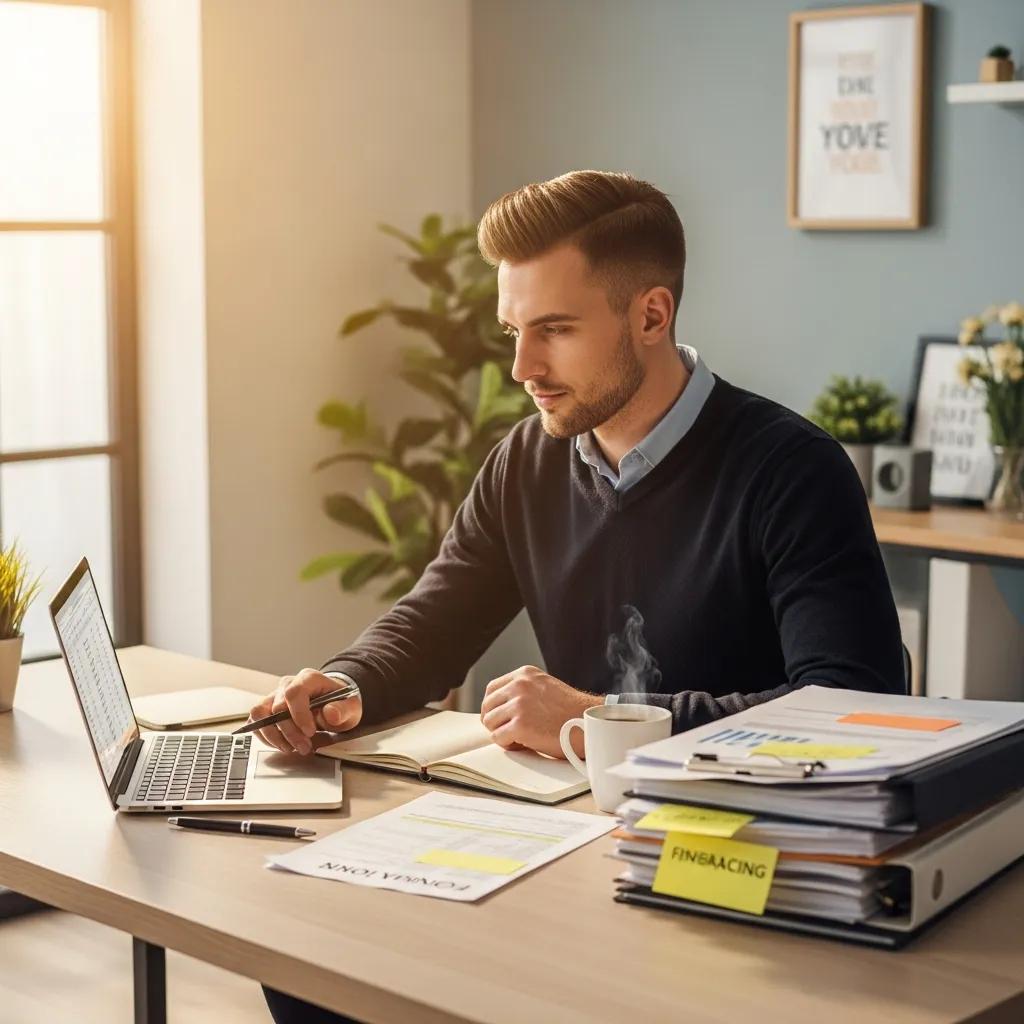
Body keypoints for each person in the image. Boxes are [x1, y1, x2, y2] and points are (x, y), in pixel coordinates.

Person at [257, 170, 904, 1023]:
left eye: (555, 331)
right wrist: (343, 686)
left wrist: (594, 720)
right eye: (513, 331)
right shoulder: (526, 462)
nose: (522, 367)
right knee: (314, 966)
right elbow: (433, 623)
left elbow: (852, 706)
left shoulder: (790, 471)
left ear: (651, 315)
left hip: (737, 859)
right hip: (574, 840)